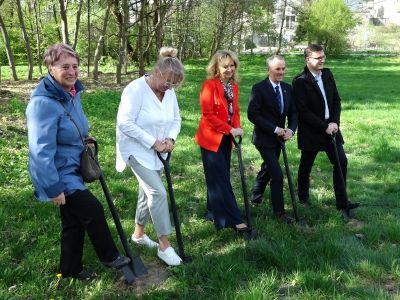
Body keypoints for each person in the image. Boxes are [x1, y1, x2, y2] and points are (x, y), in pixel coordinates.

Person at [26, 44, 130, 280]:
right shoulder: (42, 104)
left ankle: (70, 269)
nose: (72, 71)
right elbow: (40, 152)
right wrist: (54, 187)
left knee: (73, 223)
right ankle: (110, 256)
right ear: (51, 68)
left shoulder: (71, 93)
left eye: (75, 66)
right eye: (65, 66)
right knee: (92, 208)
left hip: (73, 164)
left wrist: (85, 138)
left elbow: (72, 124)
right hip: (59, 173)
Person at [116, 47, 184, 266]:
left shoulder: (169, 91)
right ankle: (165, 246)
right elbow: (125, 123)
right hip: (134, 149)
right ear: (156, 71)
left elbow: (176, 120)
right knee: (158, 192)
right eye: (167, 82)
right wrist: (153, 142)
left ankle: (138, 234)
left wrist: (170, 140)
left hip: (159, 150)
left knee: (146, 193)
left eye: (174, 84)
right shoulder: (135, 90)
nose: (169, 87)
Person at [292, 44, 359, 217]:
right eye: (318, 58)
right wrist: (324, 126)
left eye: (323, 57)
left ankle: (342, 202)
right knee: (306, 164)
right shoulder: (300, 81)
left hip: (332, 128)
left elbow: (336, 100)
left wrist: (335, 122)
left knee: (341, 161)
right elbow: (303, 110)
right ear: (307, 59)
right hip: (312, 130)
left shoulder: (328, 74)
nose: (322, 60)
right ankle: (303, 197)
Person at [195, 50, 255, 236]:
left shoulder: (233, 86)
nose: (229, 69)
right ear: (216, 67)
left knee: (217, 176)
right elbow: (208, 115)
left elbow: (234, 111)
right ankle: (234, 220)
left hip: (226, 139)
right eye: (225, 66)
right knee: (222, 180)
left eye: (232, 65)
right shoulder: (209, 85)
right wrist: (229, 129)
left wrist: (236, 127)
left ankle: (213, 212)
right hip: (210, 139)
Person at [247, 55, 298, 223]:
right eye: (278, 69)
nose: (281, 72)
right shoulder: (259, 88)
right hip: (264, 138)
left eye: (283, 68)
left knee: (268, 167)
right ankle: (280, 213)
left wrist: (291, 129)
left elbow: (293, 113)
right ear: (269, 70)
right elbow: (253, 114)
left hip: (280, 139)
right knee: (277, 173)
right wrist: (275, 129)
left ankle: (256, 194)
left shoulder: (287, 88)